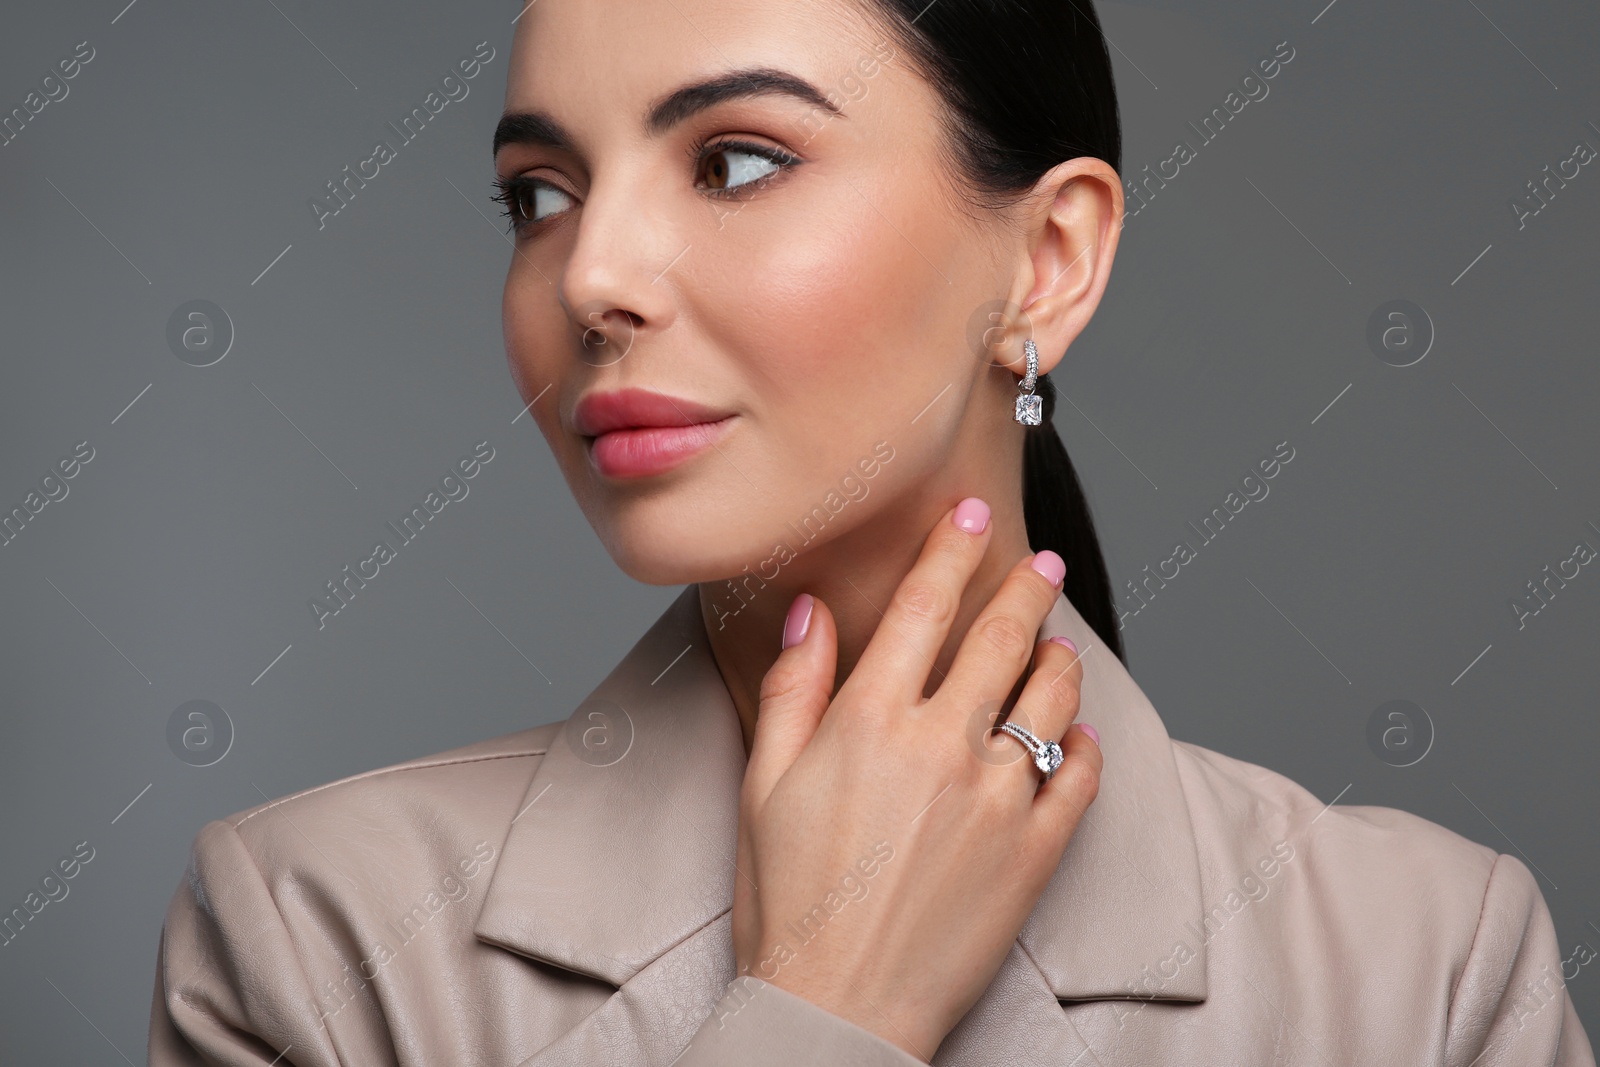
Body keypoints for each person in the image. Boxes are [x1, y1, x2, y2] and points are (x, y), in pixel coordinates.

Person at [148, 0, 1596, 1063]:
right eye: (541, 193)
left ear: (1046, 261)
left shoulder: (1427, 966)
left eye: (734, 163)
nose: (590, 274)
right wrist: (829, 1007)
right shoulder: (317, 941)